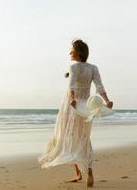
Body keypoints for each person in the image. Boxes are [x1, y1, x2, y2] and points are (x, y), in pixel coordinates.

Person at [37, 39, 113, 187]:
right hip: (87, 107)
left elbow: (71, 87)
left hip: (72, 106)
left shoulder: (73, 68)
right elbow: (100, 86)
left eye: (71, 50)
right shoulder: (93, 68)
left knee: (68, 136)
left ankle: (79, 172)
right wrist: (107, 101)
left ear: (78, 53)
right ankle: (86, 173)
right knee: (83, 138)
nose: (70, 52)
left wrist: (72, 99)